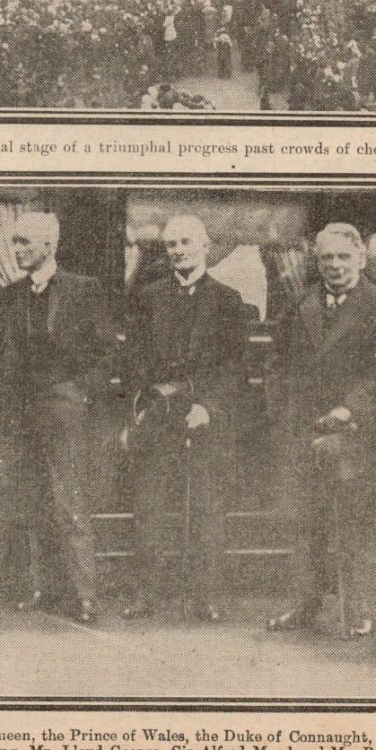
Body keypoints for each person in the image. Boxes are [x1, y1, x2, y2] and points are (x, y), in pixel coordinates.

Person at [264, 224, 376, 639]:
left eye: (343, 257)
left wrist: (350, 408)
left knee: (356, 521)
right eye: (326, 258)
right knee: (304, 521)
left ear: (360, 259)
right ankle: (305, 603)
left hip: (358, 432)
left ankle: (362, 608)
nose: (335, 266)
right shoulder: (299, 305)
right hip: (303, 429)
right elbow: (277, 367)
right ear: (316, 262)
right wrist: (285, 414)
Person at [121, 212, 250, 623]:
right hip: (159, 416)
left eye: (186, 243)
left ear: (205, 247)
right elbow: (135, 358)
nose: (178, 251)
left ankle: (206, 595)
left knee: (208, 508)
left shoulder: (229, 301)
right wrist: (147, 398)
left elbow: (235, 366)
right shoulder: (149, 296)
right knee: (150, 507)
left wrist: (207, 406)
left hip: (205, 418)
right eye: (171, 244)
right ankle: (148, 591)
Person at [0, 210, 110, 625]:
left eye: (25, 242)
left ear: (49, 246)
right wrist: (3, 413)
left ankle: (85, 596)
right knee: (32, 499)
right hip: (21, 414)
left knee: (68, 499)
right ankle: (44, 589)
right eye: (15, 241)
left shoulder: (83, 290)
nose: (17, 249)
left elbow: (103, 352)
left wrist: (79, 395)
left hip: (64, 411)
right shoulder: (9, 295)